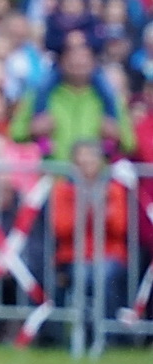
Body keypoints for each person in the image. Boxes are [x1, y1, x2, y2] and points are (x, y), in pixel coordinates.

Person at [50, 140, 130, 344]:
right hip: (73, 255)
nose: (87, 162)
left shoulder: (114, 190)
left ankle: (108, 335)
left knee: (103, 276)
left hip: (108, 254)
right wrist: (86, 208)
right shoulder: (62, 191)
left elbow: (119, 227)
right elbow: (61, 228)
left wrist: (101, 210)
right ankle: (82, 333)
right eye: (81, 158)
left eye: (91, 157)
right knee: (83, 275)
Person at [12, 38, 137, 159]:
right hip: (53, 173)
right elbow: (15, 134)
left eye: (84, 60)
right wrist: (31, 130)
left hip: (93, 177)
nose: (78, 64)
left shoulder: (110, 98)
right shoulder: (38, 95)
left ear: (94, 63)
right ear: (61, 63)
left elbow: (130, 144)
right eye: (72, 60)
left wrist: (117, 134)